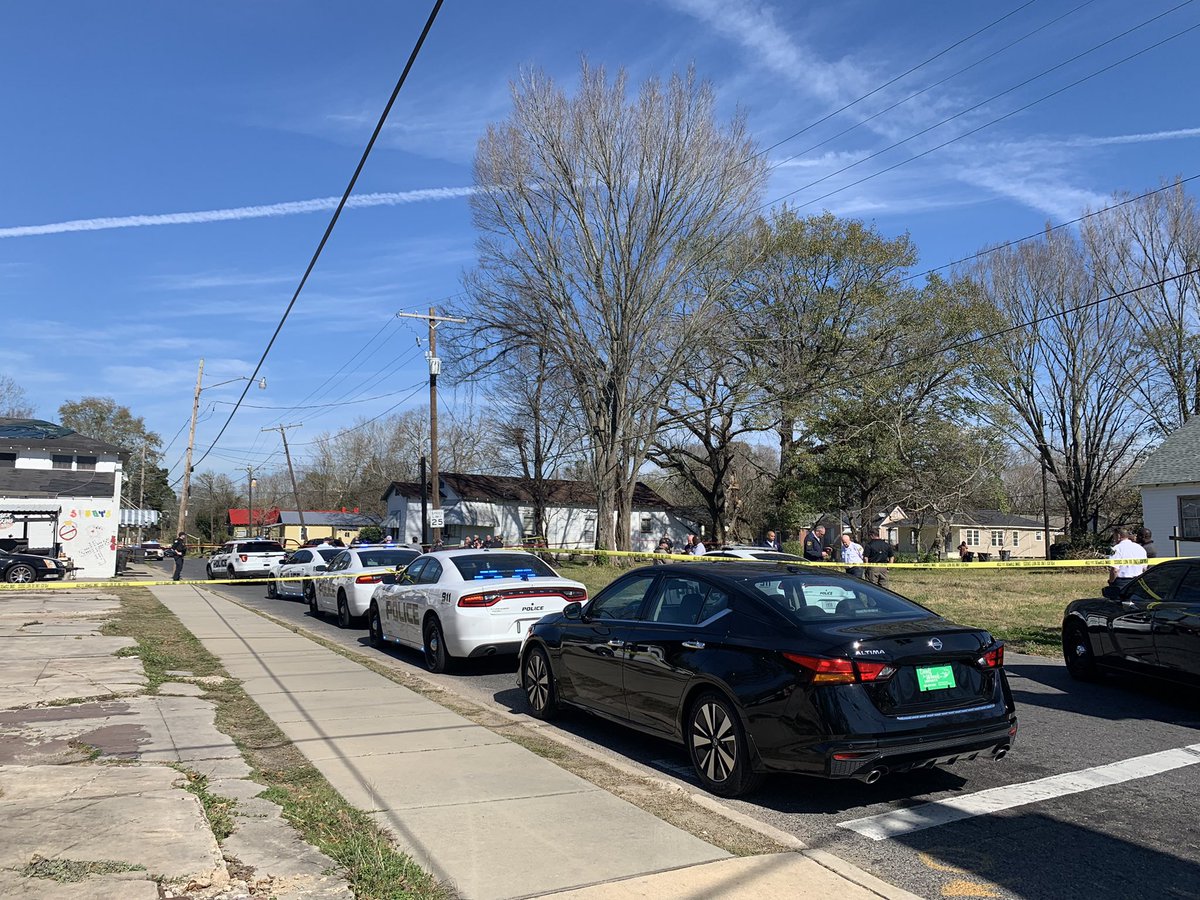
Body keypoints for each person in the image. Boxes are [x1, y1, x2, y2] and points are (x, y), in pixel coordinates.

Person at [1104, 527, 1148, 599]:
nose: (1114, 538)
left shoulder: (1116, 549)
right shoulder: (1140, 548)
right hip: (1138, 582)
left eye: (1114, 536)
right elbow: (1144, 568)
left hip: (1121, 583)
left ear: (1118, 536)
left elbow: (1115, 569)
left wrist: (1111, 582)